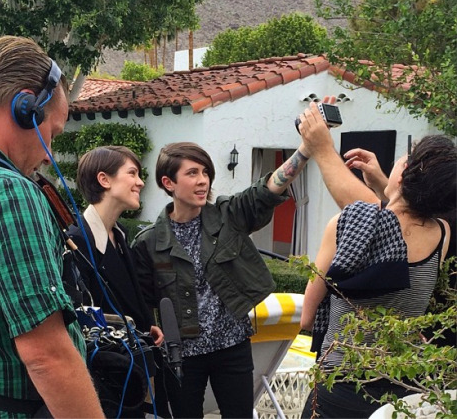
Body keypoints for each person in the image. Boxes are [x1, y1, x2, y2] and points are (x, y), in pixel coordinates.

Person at [0, 36, 105, 418]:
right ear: (25, 107)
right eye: (51, 134)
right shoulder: (6, 191)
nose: (47, 154)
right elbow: (47, 356)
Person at [132, 139, 314, 419]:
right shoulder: (149, 243)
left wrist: (304, 150)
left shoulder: (228, 215)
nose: (202, 180)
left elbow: (265, 191)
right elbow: (140, 306)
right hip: (183, 357)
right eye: (192, 173)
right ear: (168, 182)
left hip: (233, 346)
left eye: (205, 173)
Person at [297, 105, 456, 418]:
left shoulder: (344, 224)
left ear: (405, 170)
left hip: (339, 385)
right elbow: (403, 221)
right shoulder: (443, 234)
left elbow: (306, 318)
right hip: (403, 388)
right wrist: (387, 186)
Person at [67, 145, 169, 417]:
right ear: (104, 180)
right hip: (106, 381)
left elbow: (131, 295)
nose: (140, 182)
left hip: (130, 372)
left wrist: (148, 325)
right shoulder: (77, 240)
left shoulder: (120, 235)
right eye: (132, 173)